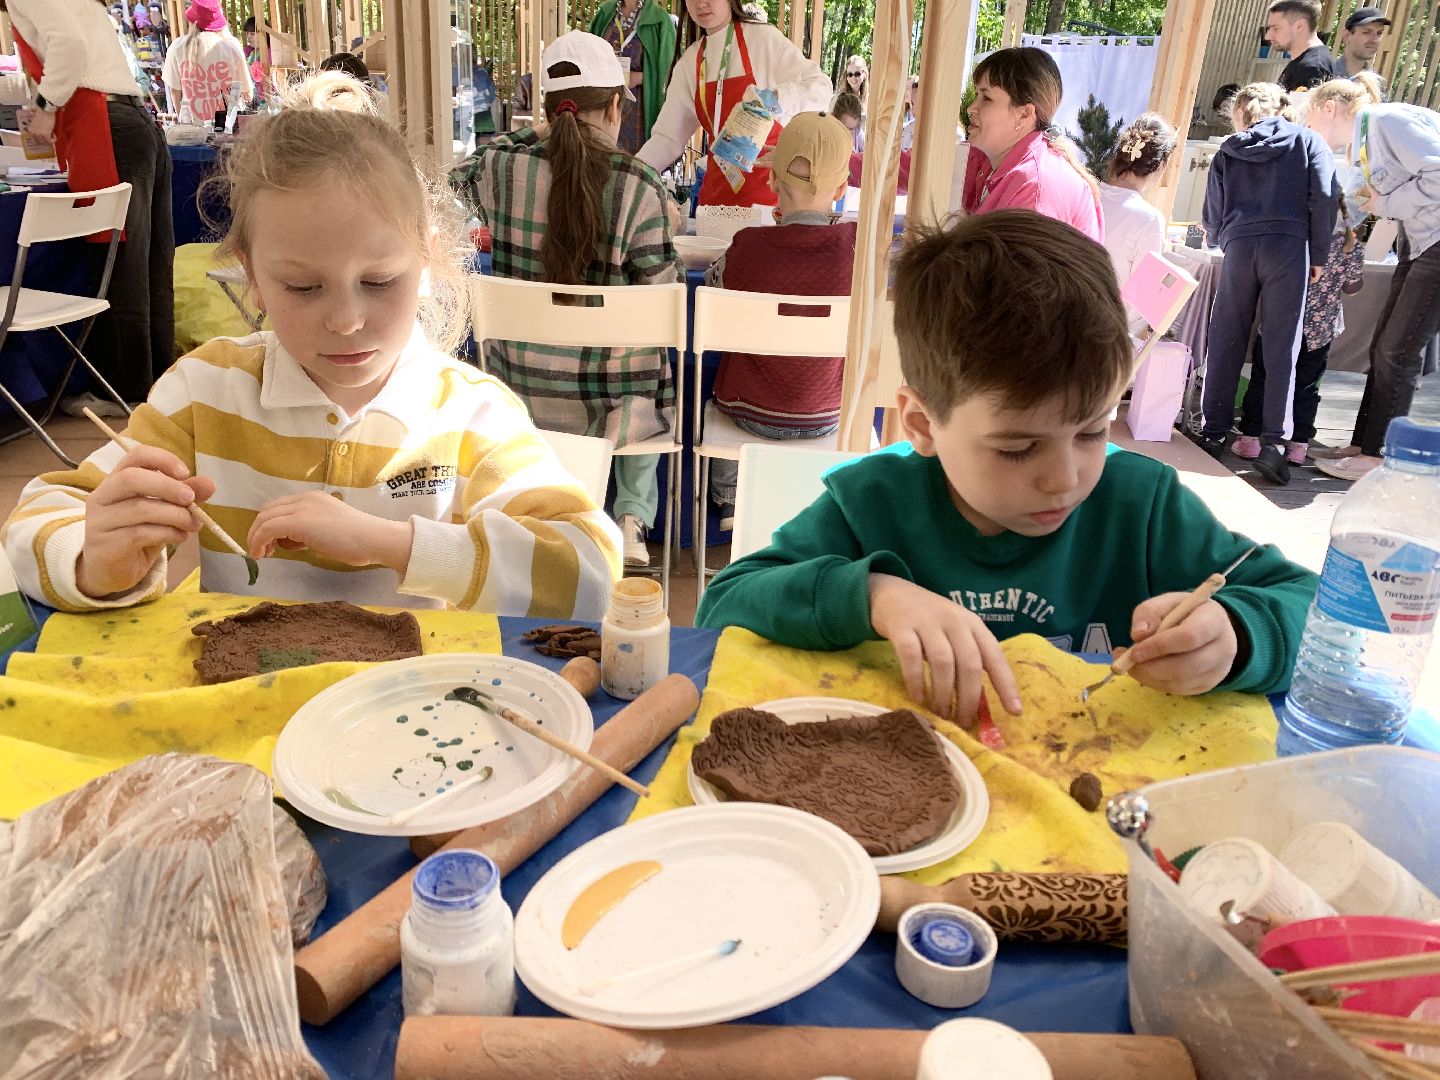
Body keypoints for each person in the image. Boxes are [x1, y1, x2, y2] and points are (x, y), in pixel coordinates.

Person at [2, 73, 620, 617]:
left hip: (414, 720)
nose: (347, 321)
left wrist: (392, 543)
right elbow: (39, 517)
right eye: (302, 286)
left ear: (428, 260)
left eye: (379, 281)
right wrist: (93, 562)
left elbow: (590, 572)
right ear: (253, 277)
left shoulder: (469, 415)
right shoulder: (204, 391)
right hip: (247, 713)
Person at [694, 211, 1318, 721]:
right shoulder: (873, 503)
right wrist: (873, 595)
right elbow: (721, 607)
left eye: (1093, 431)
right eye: (1017, 448)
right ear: (920, 424)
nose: (1065, 477)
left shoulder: (1142, 504)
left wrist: (1237, 634)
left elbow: (1309, 605)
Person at [450, 32, 682, 568]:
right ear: (617, 106)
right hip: (615, 411)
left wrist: (532, 138)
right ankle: (630, 518)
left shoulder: (500, 169)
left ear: (548, 112)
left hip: (522, 398)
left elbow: (446, 183)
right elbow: (663, 297)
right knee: (652, 360)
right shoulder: (640, 185)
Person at [5, 0, 175, 412]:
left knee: (119, 262)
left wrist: (46, 108)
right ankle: (158, 383)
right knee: (148, 262)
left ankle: (122, 390)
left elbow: (68, 46)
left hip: (104, 123)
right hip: (132, 121)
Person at [702, 112, 858, 527]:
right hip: (827, 415)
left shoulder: (747, 245)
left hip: (747, 410)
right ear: (842, 188)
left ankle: (731, 498)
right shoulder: (859, 247)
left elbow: (714, 290)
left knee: (725, 393)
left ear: (771, 182)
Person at [1199, 81, 1337, 485]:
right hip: (1290, 246)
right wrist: (1321, 252)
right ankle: (1273, 444)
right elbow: (1325, 196)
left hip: (1241, 245)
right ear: (1284, 108)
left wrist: (1219, 235)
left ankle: (1213, 432)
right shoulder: (1309, 141)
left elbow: (1213, 210)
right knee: (1281, 346)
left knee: (1225, 337)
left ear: (1240, 112)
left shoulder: (1229, 149)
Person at [1305, 73, 1439, 483]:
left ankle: (1380, 456)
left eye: (1308, 121)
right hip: (1418, 242)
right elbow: (1359, 204)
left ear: (1328, 108)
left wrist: (1387, 202)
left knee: (1398, 351)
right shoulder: (1365, 139)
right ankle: (1364, 445)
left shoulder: (1386, 120)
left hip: (1435, 243)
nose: (1308, 132)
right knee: (1384, 347)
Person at [637, 0, 831, 211]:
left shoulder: (762, 39)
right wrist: (629, 174)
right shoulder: (691, 61)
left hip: (769, 204)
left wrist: (778, 96)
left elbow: (820, 86)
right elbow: (667, 139)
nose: (701, 3)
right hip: (715, 202)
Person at [1234, 188, 1366, 468]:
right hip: (1319, 331)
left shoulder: (1291, 240)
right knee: (1306, 387)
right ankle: (1298, 446)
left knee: (1264, 380)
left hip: (1279, 323)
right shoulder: (1349, 243)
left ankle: (1250, 440)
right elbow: (1353, 287)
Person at [961, 47, 1103, 243]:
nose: (971, 108)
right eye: (977, 95)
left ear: (1025, 114)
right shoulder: (988, 160)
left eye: (986, 98)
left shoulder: (1035, 187)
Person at [1098, 112, 1177, 328]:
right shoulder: (1149, 220)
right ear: (1160, 164)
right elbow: (1144, 301)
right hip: (1110, 332)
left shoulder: (1088, 195)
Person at [587, 0, 677, 154]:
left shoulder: (660, 19)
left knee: (637, 165)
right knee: (601, 156)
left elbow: (670, 71)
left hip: (640, 109)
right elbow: (589, 57)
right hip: (604, 102)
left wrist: (641, 78)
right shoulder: (604, 13)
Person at [162, 0, 253, 126]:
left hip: (191, 126)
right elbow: (247, 93)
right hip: (226, 126)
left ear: (192, 21)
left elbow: (174, 90)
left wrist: (181, 118)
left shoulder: (177, 47)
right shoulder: (231, 46)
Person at [1265, 0, 1340, 93]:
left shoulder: (1312, 68)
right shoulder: (1308, 62)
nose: (1267, 36)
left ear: (1300, 26)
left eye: (1276, 28)